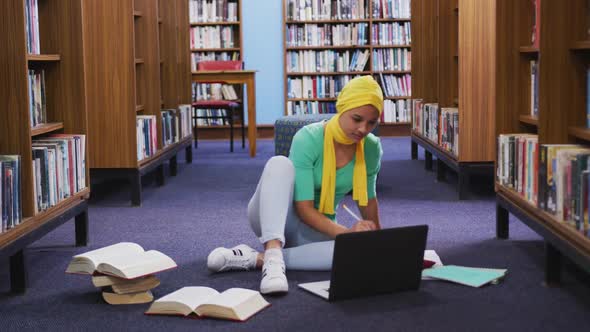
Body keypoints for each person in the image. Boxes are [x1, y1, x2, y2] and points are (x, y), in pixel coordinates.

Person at [206, 75, 384, 294]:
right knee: (280, 164)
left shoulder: (372, 148)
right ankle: (272, 250)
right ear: (342, 108)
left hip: (317, 229)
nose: (363, 129)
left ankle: (258, 259)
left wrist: (379, 242)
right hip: (275, 216)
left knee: (358, 253)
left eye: (371, 122)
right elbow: (304, 209)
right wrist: (346, 234)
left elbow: (368, 199)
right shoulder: (308, 137)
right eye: (357, 119)